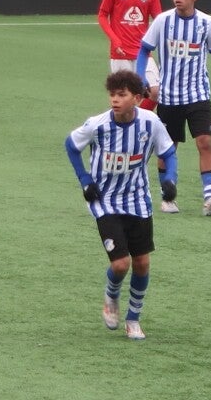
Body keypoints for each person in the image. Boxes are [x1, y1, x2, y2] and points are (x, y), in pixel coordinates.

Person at [63, 69, 179, 341]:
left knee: (142, 262)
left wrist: (170, 179)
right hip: (105, 202)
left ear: (137, 98)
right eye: (112, 94)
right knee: (120, 264)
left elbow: (168, 152)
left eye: (122, 95)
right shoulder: (98, 125)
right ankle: (111, 295)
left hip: (138, 201)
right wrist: (85, 180)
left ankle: (133, 319)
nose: (115, 100)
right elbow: (71, 145)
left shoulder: (151, 123)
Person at [134, 0, 211, 215]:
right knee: (168, 147)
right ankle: (168, 197)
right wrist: (141, 77)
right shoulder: (163, 20)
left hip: (198, 95)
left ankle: (210, 198)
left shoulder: (206, 22)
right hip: (169, 97)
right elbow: (144, 49)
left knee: (205, 142)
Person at [97, 0, 163, 113]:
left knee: (155, 92)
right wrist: (115, 40)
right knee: (124, 97)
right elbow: (102, 15)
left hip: (143, 52)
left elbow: (159, 19)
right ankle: (123, 123)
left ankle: (139, 119)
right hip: (120, 53)